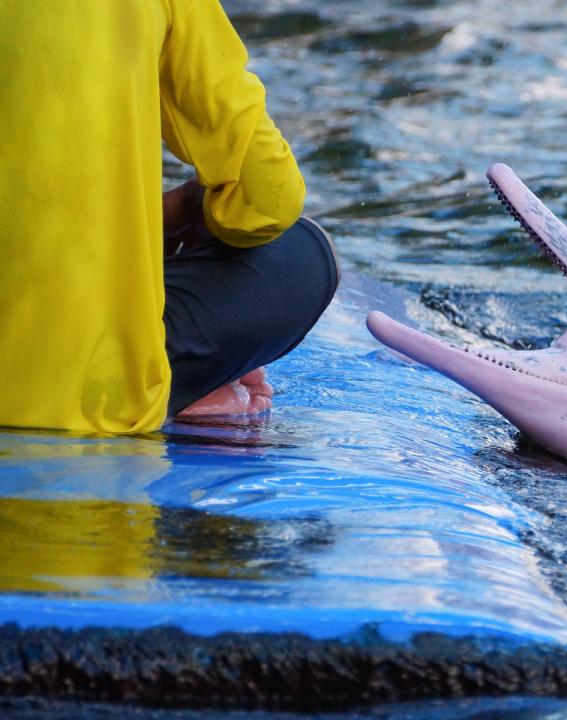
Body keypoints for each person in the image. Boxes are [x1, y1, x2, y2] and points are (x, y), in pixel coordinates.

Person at [0, 0, 338, 434]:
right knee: (302, 255)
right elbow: (268, 201)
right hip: (86, 393)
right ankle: (178, 383)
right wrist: (189, 208)